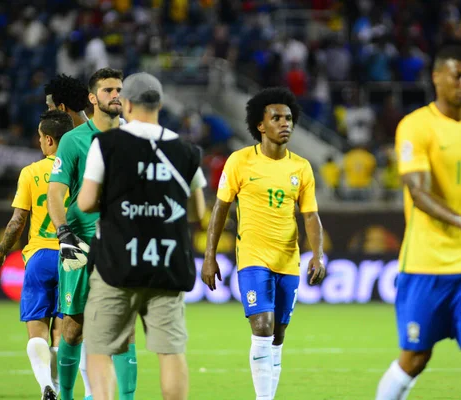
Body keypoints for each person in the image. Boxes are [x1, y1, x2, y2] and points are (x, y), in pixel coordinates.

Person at [375, 45, 461, 400]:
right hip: (426, 263)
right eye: (457, 74)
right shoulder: (415, 126)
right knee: (416, 357)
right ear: (437, 77)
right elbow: (418, 195)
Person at [78, 72, 207, 400]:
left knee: (99, 349)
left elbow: (87, 202)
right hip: (167, 265)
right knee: (171, 351)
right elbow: (198, 212)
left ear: (127, 104)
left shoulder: (105, 144)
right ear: (160, 104)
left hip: (116, 265)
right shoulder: (186, 150)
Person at [201, 87, 327, 400]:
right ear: (261, 125)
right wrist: (210, 255)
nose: (285, 123)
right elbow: (221, 208)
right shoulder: (239, 162)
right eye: (277, 118)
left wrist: (318, 255)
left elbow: (311, 216)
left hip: (288, 259)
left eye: (288, 118)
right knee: (262, 327)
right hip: (253, 258)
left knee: (278, 334)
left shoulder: (301, 168)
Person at [47, 68, 138, 400]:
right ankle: (67, 396)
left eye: (119, 90)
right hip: (81, 244)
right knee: (73, 329)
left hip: (121, 247)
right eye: (108, 90)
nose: (116, 95)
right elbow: (55, 193)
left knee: (124, 331)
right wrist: (64, 234)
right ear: (92, 98)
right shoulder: (73, 140)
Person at [0, 110, 74, 400]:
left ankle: (44, 385)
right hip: (70, 258)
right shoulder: (80, 171)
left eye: (39, 137)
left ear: (48, 139)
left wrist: (1, 250)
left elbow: (16, 221)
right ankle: (59, 389)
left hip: (38, 258)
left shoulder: (31, 172)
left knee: (37, 330)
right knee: (62, 333)